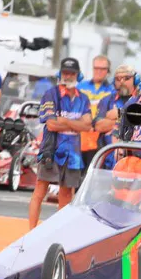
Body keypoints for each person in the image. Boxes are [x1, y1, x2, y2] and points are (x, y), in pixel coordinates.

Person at [29, 57, 92, 227]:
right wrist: (76, 124)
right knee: (40, 191)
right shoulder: (51, 94)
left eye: (72, 73)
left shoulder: (83, 98)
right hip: (51, 150)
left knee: (66, 194)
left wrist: (64, 121)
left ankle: (58, 232)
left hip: (73, 154)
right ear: (60, 74)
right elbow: (51, 124)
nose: (68, 76)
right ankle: (30, 231)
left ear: (78, 75)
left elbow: (87, 126)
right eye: (65, 72)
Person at [94, 64, 139, 169]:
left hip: (133, 161)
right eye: (118, 79)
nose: (122, 82)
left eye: (126, 78)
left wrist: (119, 114)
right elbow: (99, 126)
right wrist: (126, 121)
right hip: (106, 160)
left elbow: (140, 126)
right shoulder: (106, 100)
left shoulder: (140, 100)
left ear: (135, 80)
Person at [78, 55, 114, 171]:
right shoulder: (80, 86)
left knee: (94, 171)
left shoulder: (113, 90)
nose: (99, 71)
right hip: (80, 135)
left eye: (103, 69)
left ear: (108, 71)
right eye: (96, 68)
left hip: (101, 138)